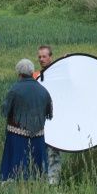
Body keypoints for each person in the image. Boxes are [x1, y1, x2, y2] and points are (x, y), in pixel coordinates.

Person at [0, 59, 53, 182]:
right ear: (32, 72)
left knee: (15, 164)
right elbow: (48, 112)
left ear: (19, 72)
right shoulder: (43, 90)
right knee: (37, 167)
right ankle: (38, 183)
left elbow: (5, 110)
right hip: (38, 136)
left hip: (17, 135)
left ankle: (12, 183)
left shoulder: (15, 89)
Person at [31, 45, 61, 185]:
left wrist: (65, 60)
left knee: (53, 153)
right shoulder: (35, 76)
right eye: (39, 57)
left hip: (55, 121)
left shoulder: (58, 73)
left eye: (44, 56)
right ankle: (38, 181)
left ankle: (53, 183)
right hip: (37, 122)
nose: (41, 59)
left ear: (50, 57)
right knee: (37, 152)